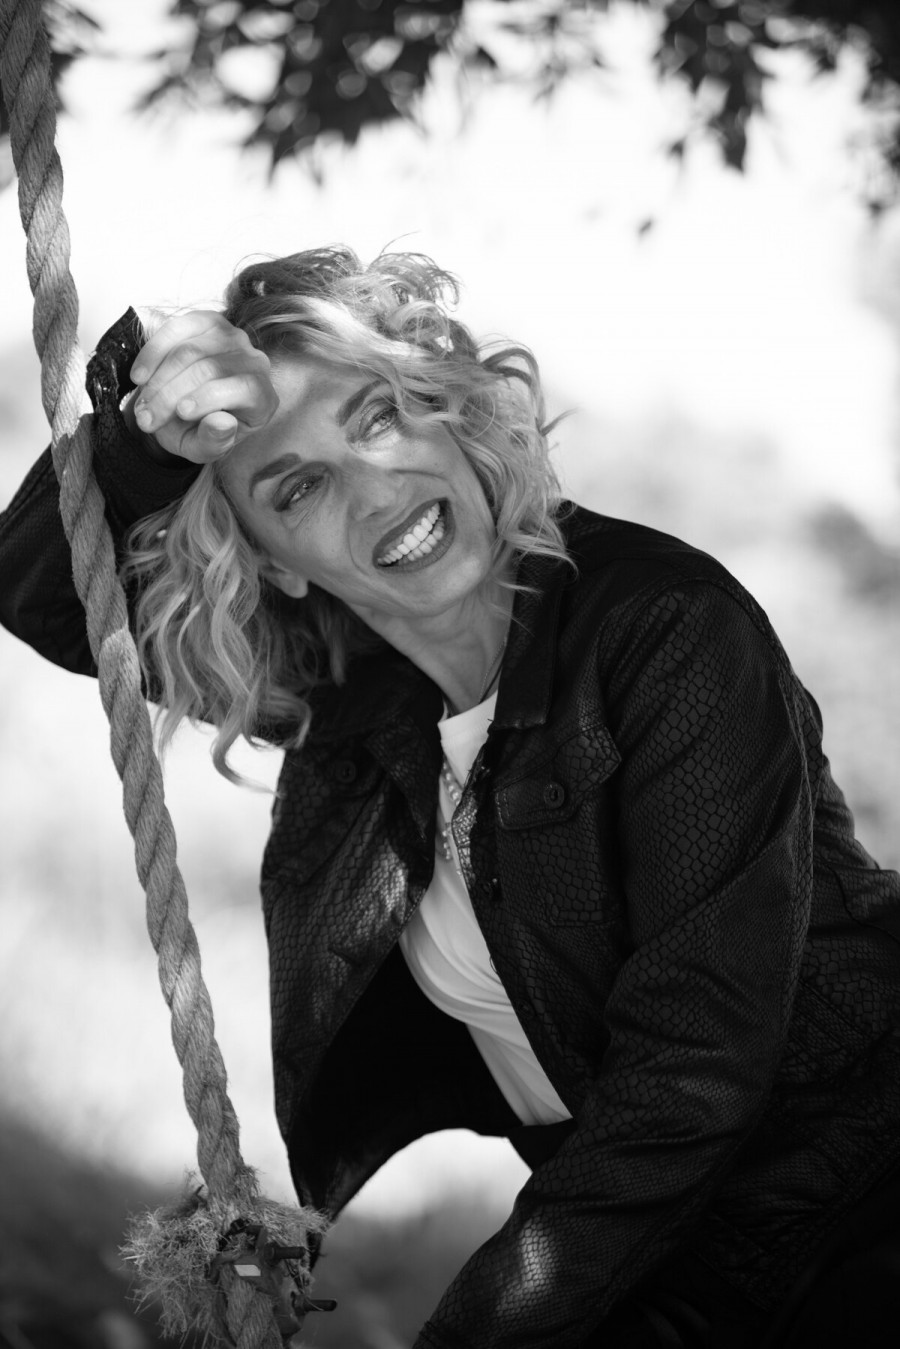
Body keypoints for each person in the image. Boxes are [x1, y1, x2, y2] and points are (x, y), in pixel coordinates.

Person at [1, 246, 899, 1349]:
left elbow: (691, 1073)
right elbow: (50, 594)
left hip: (854, 1201)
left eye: (378, 417)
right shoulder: (354, 694)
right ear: (276, 562)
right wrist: (140, 445)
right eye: (298, 486)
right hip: (664, 1226)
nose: (376, 488)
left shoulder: (662, 627)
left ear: (445, 414)